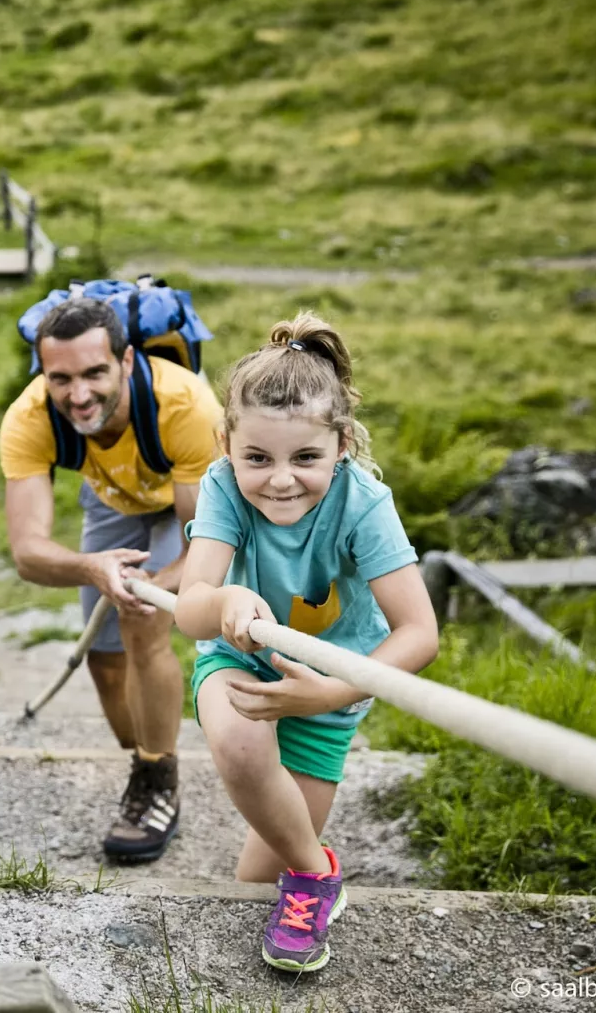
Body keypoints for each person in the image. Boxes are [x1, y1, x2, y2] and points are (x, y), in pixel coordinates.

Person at [172, 312, 438, 973]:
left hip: (334, 685)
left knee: (266, 867)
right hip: (243, 657)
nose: (281, 479)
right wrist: (226, 599)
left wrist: (331, 692)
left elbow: (420, 633)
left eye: (306, 458)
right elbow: (190, 610)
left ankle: (300, 885)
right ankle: (321, 879)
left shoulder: (364, 505)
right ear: (227, 442)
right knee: (238, 745)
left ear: (341, 445)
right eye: (257, 457)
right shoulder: (223, 486)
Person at [0, 298, 223, 863]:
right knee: (104, 659)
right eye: (61, 378)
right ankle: (143, 754)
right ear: (43, 374)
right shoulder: (29, 418)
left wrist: (152, 586)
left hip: (184, 506)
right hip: (111, 501)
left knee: (142, 618)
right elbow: (28, 552)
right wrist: (92, 567)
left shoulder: (185, 405)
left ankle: (156, 781)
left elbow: (205, 547)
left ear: (125, 360)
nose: (78, 395)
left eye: (95, 373)